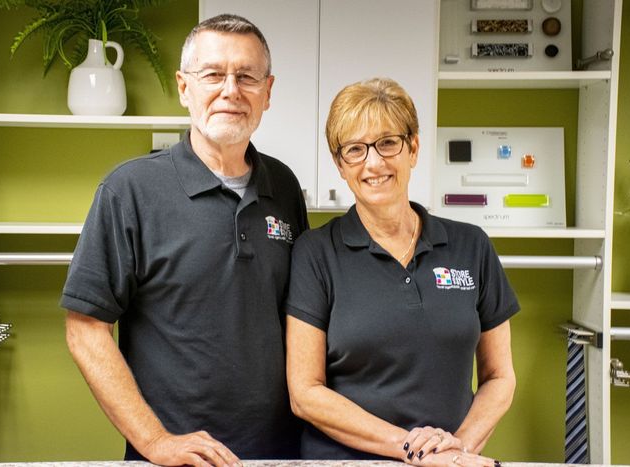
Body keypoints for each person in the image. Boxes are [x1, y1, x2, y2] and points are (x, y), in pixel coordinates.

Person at [61, 14, 308, 467]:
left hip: (280, 450)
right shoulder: (129, 190)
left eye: (247, 76)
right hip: (174, 457)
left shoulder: (285, 187)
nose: (231, 90)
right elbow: (85, 329)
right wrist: (155, 441)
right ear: (183, 87)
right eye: (213, 74)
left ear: (267, 91)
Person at [285, 78, 519, 466]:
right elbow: (305, 392)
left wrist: (456, 451)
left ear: (413, 147)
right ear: (340, 165)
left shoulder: (471, 245)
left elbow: (500, 377)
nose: (373, 163)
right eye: (355, 150)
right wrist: (414, 450)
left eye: (387, 143)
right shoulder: (316, 253)